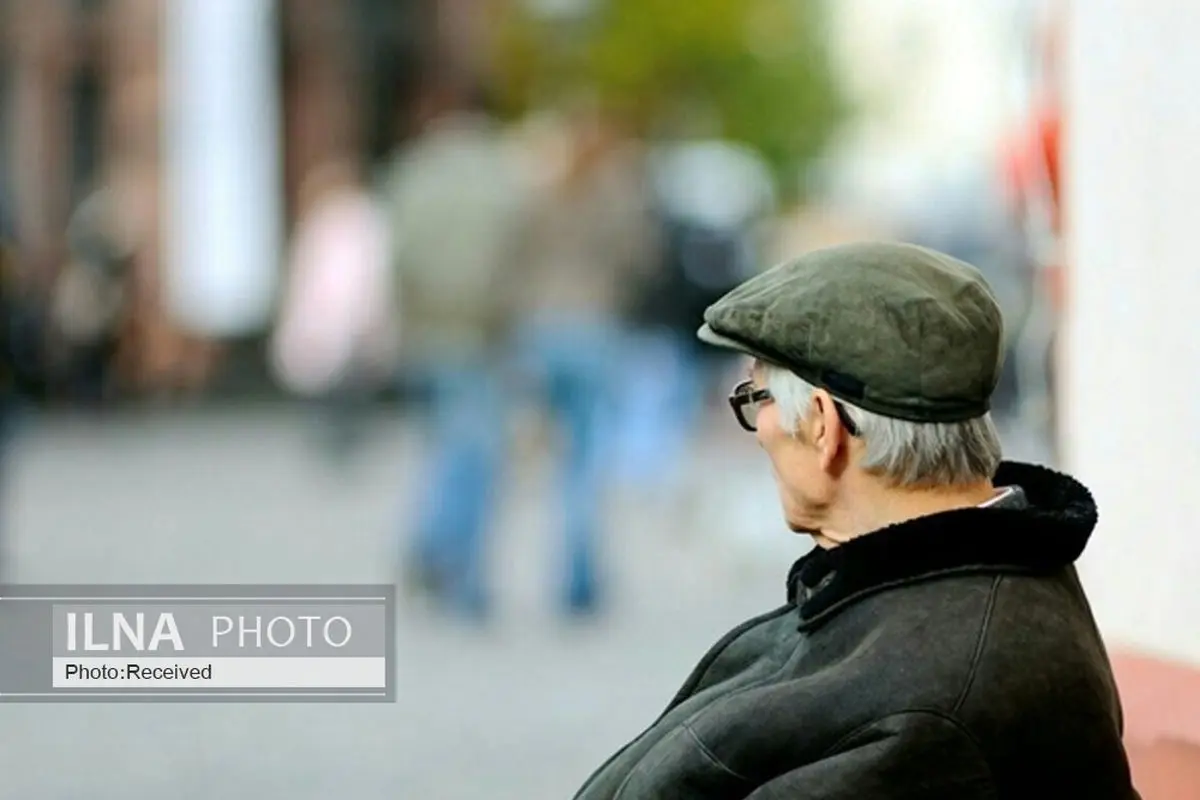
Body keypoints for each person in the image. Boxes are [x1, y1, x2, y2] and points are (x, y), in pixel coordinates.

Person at [573, 242, 1137, 799]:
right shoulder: (964, 578)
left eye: (755, 396)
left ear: (823, 425)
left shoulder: (934, 700)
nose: (760, 428)